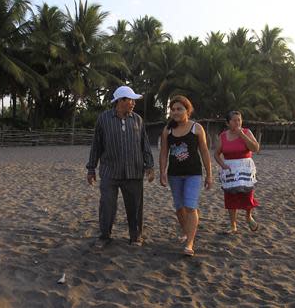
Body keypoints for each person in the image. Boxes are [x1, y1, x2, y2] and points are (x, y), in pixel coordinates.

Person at [86, 85, 155, 248]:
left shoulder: (137, 119)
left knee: (135, 206)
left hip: (134, 172)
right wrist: (91, 168)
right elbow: (96, 145)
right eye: (130, 100)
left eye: (133, 100)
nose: (133, 103)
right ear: (120, 101)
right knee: (107, 205)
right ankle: (104, 236)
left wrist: (149, 166)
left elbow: (144, 144)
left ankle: (135, 236)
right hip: (110, 171)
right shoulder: (104, 119)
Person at [159, 95, 212, 256]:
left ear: (187, 110)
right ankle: (186, 230)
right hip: (174, 174)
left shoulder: (196, 128)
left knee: (190, 206)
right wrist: (162, 171)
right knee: (179, 208)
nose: (175, 112)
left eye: (179, 109)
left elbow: (204, 151)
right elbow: (163, 152)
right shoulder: (168, 130)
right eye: (172, 109)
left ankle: (189, 243)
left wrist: (209, 174)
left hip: (193, 174)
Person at [214, 110, 260, 234]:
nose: (237, 122)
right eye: (234, 120)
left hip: (245, 167)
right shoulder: (223, 136)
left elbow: (255, 148)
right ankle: (233, 225)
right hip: (229, 168)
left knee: (247, 194)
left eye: (239, 120)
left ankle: (248, 216)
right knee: (230, 196)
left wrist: (242, 135)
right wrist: (222, 164)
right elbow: (216, 154)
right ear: (228, 123)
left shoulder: (247, 132)